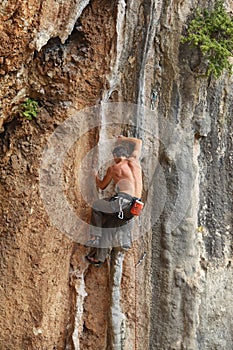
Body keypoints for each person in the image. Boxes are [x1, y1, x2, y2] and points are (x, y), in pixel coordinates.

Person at [85, 135, 143, 266]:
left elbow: (102, 185)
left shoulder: (114, 168)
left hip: (122, 201)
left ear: (115, 155)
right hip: (135, 208)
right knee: (109, 227)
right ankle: (99, 258)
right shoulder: (135, 161)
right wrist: (123, 139)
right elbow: (139, 142)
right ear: (126, 154)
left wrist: (94, 176)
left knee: (97, 206)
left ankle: (94, 237)